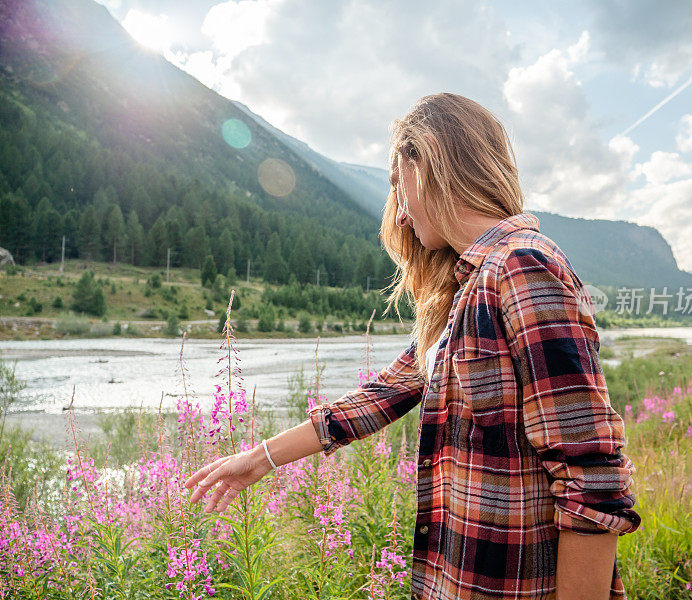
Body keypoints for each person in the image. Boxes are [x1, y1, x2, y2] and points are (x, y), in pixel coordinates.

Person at [185, 92, 640, 600]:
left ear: (430, 164)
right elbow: (383, 395)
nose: (399, 215)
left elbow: (591, 477)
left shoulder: (522, 268)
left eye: (399, 185)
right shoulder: (467, 287)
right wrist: (260, 458)